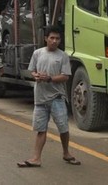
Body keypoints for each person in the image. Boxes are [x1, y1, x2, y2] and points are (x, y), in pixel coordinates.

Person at [17, 25, 81, 168]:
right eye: (51, 38)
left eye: (57, 38)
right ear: (46, 38)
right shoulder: (37, 53)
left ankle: (66, 153)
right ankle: (36, 158)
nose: (54, 41)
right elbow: (32, 71)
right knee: (41, 129)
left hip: (57, 97)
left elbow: (65, 76)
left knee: (63, 128)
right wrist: (36, 76)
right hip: (40, 98)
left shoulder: (63, 56)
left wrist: (49, 79)